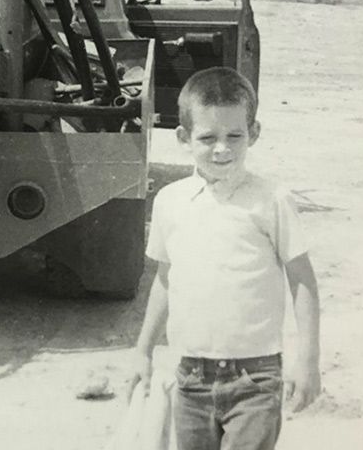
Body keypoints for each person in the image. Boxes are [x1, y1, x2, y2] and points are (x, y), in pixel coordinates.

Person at [127, 66, 322, 449]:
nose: (222, 148)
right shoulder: (171, 203)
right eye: (208, 137)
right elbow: (166, 280)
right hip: (191, 377)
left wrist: (308, 360)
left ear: (255, 133)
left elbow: (303, 281)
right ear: (184, 137)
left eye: (235, 135)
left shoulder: (271, 201)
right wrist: (142, 351)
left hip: (256, 378)